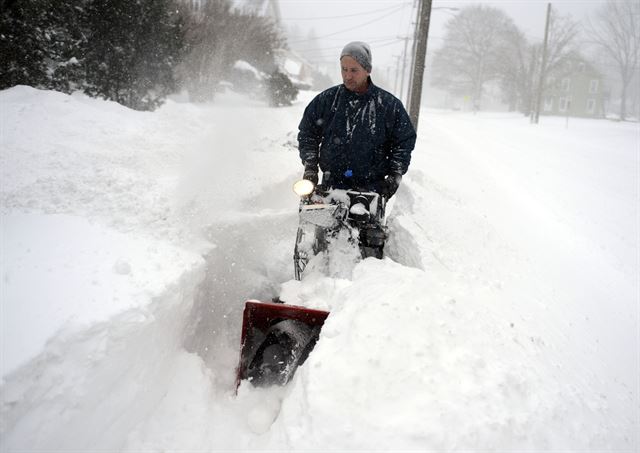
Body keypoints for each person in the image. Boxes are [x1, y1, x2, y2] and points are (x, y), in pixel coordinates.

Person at [296, 41, 416, 258]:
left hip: (371, 190)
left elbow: (403, 142)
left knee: (367, 251)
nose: (347, 76)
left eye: (354, 70)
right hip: (333, 187)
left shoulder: (388, 106)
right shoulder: (327, 101)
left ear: (367, 70)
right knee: (325, 247)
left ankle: (361, 286)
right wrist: (311, 166)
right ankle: (318, 282)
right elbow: (308, 133)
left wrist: (395, 174)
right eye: (344, 69)